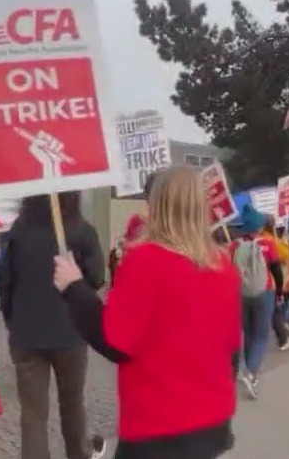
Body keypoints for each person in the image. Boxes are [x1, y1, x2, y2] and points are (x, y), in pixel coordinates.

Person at [52, 166, 238, 459]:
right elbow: (231, 346)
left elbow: (115, 341)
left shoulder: (146, 261)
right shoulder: (222, 264)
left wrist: (74, 288)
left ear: (158, 205)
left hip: (159, 427)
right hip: (213, 421)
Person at [0, 192, 107, 459]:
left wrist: (12, 321)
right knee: (73, 404)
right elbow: (96, 279)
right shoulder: (81, 231)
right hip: (71, 331)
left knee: (33, 414)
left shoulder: (17, 233)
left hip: (26, 334)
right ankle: (79, 453)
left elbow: (5, 282)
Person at [230, 205, 283, 399]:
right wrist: (279, 292)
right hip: (264, 291)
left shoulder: (234, 246)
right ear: (259, 227)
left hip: (241, 293)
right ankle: (252, 372)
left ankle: (244, 367)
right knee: (261, 334)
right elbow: (276, 270)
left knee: (247, 332)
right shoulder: (268, 244)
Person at [261, 216, 289, 350]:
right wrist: (284, 241)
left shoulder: (250, 240)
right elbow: (285, 255)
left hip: (249, 284)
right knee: (275, 311)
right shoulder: (271, 242)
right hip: (269, 282)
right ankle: (282, 340)